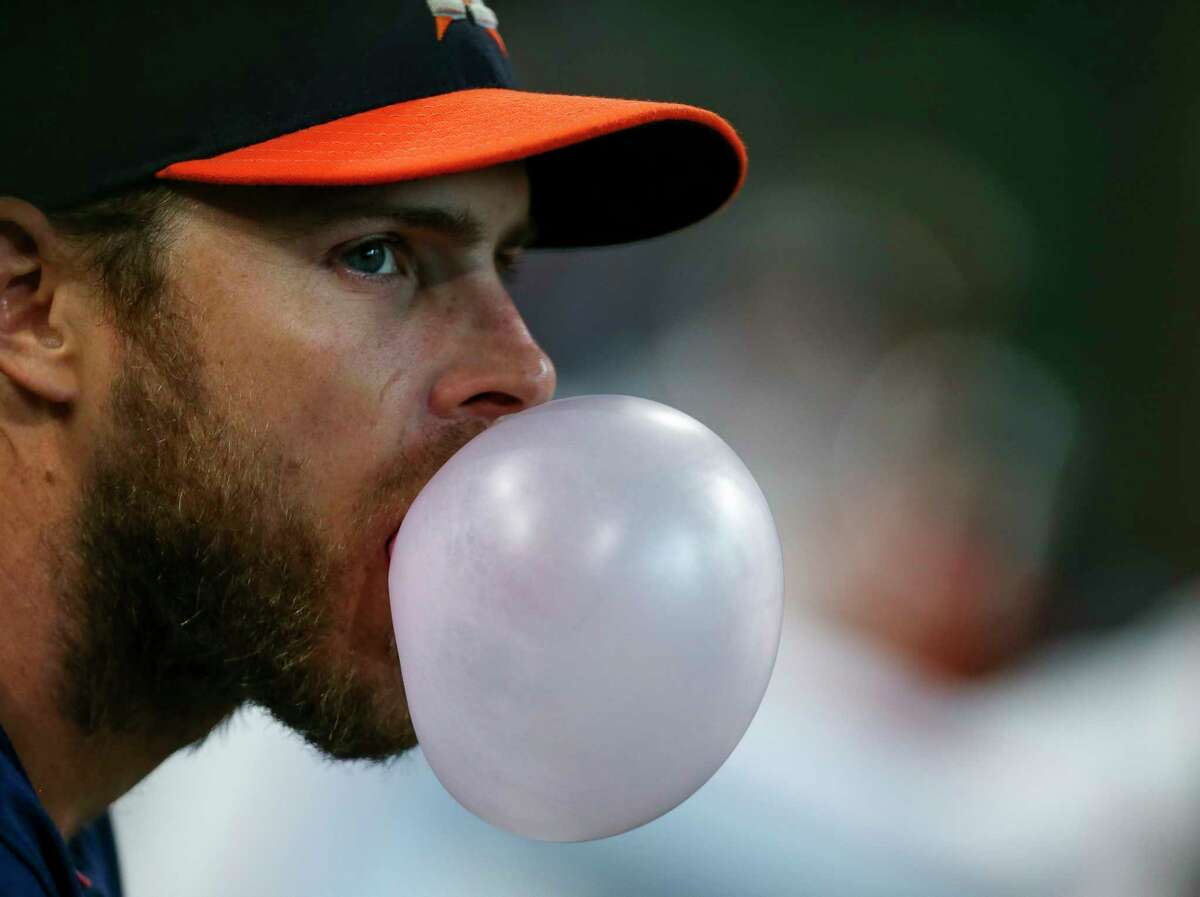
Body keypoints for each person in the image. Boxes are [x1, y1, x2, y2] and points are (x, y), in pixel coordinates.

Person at [0, 2, 746, 894]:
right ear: (30, 309)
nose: (526, 369)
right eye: (377, 254)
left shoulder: (54, 821)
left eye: (505, 265)